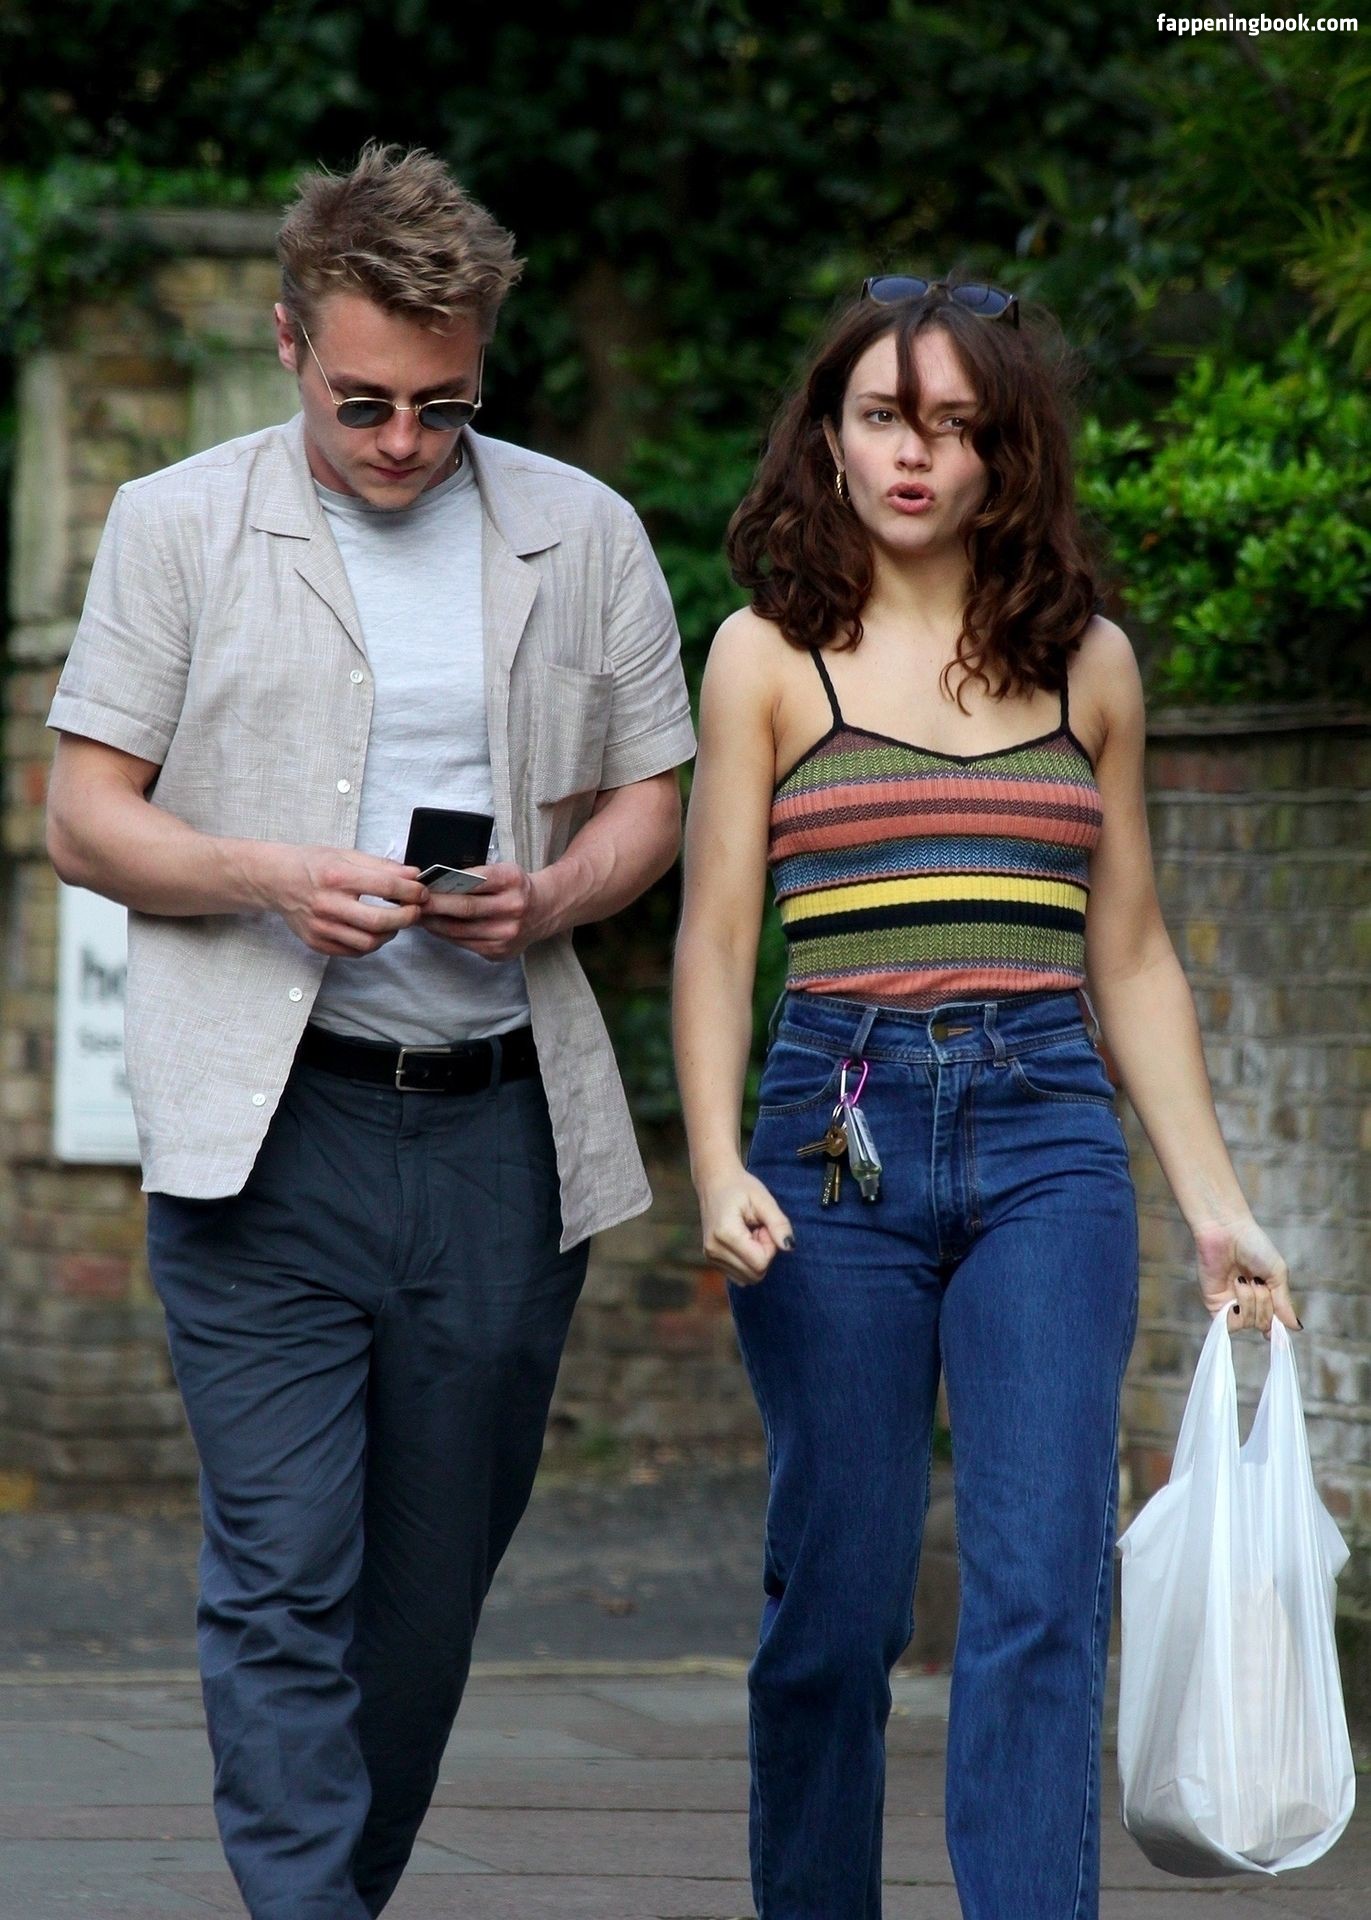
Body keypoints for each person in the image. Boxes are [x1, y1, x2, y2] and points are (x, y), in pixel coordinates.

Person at [45, 142, 695, 1919]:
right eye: (363, 404)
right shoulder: (176, 525)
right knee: (281, 1576)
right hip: (267, 1139)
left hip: (499, 1138)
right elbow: (83, 818)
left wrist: (549, 897)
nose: (404, 440)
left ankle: (334, 1889)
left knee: (423, 1601)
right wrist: (265, 877)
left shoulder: (584, 532)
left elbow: (655, 799)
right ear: (287, 342)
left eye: (442, 404)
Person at [672, 274, 1299, 1920]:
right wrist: (719, 1159)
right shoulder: (764, 657)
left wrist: (1216, 1206)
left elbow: (1132, 953)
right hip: (836, 1139)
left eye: (954, 426)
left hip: (1046, 1137)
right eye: (884, 417)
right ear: (828, 433)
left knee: (1040, 1589)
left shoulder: (1089, 666)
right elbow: (718, 933)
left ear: (1003, 452)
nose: (915, 455)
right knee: (840, 1602)